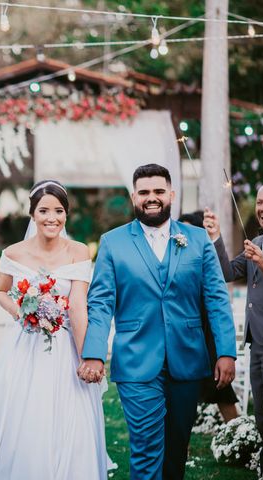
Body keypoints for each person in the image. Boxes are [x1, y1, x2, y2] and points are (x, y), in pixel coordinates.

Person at [81, 164, 237, 480]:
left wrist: (226, 352)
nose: (152, 198)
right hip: (137, 362)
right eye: (144, 192)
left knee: (177, 449)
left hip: (188, 360)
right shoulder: (113, 243)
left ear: (171, 195)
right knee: (146, 447)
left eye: (158, 191)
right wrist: (94, 353)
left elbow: (217, 299)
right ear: (134, 196)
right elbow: (99, 305)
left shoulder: (196, 239)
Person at [0, 180, 107, 479]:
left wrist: (88, 354)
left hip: (64, 347)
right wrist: (23, 314)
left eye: (59, 211)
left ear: (66, 214)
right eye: (44, 210)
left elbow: (77, 306)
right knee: (22, 416)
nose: (52, 218)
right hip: (25, 347)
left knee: (67, 417)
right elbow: (0, 291)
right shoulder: (13, 253)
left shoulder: (79, 252)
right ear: (32, 214)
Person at [204, 183, 263, 473]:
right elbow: (227, 272)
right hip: (256, 339)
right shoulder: (256, 241)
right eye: (260, 202)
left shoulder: (259, 252)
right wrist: (215, 236)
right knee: (262, 410)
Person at [178, 211, 239, 422]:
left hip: (206, 328)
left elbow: (222, 278)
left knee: (221, 389)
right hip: (183, 330)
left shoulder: (203, 254)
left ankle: (238, 434)